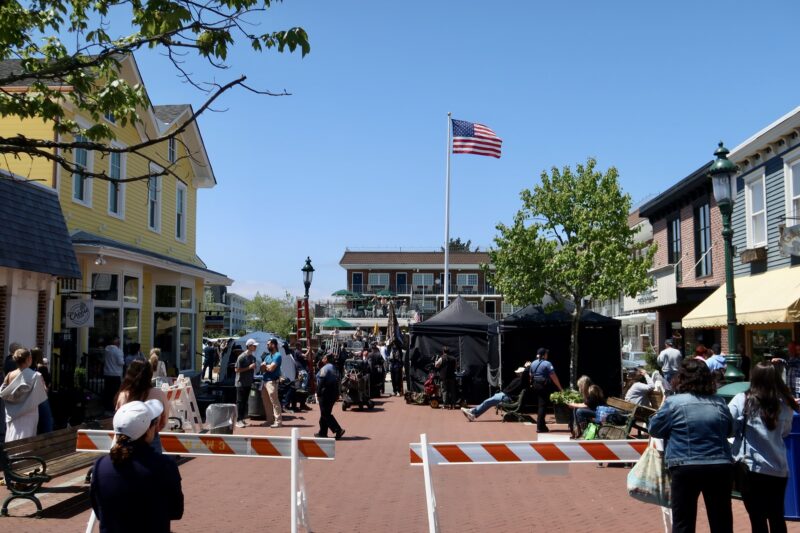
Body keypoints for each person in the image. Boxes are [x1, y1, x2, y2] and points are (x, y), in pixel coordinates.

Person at [648, 358, 733, 533]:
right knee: (721, 520)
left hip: (685, 465)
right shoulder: (719, 402)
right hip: (719, 465)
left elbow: (654, 429)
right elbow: (730, 430)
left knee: (683, 521)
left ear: (680, 378)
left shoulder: (673, 403)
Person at [90, 400, 183, 533]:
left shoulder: (100, 466)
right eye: (155, 424)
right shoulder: (164, 465)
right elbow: (176, 511)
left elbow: (100, 512)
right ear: (148, 430)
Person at [729, 362, 799, 533]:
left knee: (757, 519)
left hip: (752, 469)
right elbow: (785, 432)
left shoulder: (743, 399)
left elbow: (727, 424)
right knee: (776, 517)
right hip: (778, 468)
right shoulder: (786, 403)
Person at [115, 360, 169, 452]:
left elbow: (118, 419)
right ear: (150, 375)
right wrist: (152, 430)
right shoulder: (159, 394)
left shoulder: (123, 395)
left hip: (126, 440)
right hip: (151, 440)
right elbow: (164, 421)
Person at [0, 348, 47, 441]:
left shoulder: (9, 375)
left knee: (12, 435)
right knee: (27, 438)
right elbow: (43, 391)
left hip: (12, 413)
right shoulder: (35, 376)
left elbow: (3, 392)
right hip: (29, 413)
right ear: (29, 359)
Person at [462, 364, 530, 421]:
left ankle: (472, 412)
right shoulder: (519, 379)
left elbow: (525, 374)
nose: (517, 373)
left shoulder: (522, 380)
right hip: (504, 395)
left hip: (506, 397)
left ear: (522, 373)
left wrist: (527, 366)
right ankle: (473, 413)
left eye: (518, 373)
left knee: (487, 402)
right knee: (487, 402)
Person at [530, 348, 563, 433]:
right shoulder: (547, 364)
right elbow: (553, 377)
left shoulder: (533, 363)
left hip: (535, 386)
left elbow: (530, 374)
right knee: (542, 406)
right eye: (546, 354)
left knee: (540, 404)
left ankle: (542, 425)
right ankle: (540, 427)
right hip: (543, 386)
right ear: (544, 355)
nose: (547, 355)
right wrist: (560, 388)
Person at [314, 354, 345, 440]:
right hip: (333, 392)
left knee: (325, 413)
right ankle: (322, 432)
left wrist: (318, 392)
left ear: (327, 359)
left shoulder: (325, 368)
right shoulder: (334, 368)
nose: (322, 359)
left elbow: (322, 380)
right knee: (325, 413)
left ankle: (338, 429)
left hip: (325, 392)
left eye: (323, 358)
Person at [234, 339, 258, 428]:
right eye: (254, 345)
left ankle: (242, 419)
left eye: (255, 345)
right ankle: (238, 420)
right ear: (249, 346)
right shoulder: (241, 357)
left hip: (248, 382)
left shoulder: (253, 357)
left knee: (245, 402)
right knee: (240, 401)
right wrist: (249, 367)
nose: (255, 347)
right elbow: (236, 370)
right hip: (240, 383)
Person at [260, 338, 282, 428]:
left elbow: (271, 368)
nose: (267, 345)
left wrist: (266, 366)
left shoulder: (278, 355)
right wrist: (266, 366)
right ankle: (269, 420)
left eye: (268, 344)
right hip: (265, 381)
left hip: (272, 382)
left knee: (274, 402)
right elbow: (262, 368)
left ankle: (278, 421)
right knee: (266, 402)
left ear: (273, 345)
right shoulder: (267, 356)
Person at [31, 347, 54, 434]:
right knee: (47, 419)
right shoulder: (42, 368)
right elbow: (48, 383)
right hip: (42, 397)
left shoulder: (29, 367)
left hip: (31, 397)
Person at [103, 337, 125, 411]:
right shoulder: (118, 351)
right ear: (117, 343)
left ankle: (107, 407)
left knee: (107, 391)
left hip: (107, 373)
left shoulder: (106, 349)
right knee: (115, 392)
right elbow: (120, 362)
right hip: (115, 374)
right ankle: (113, 407)